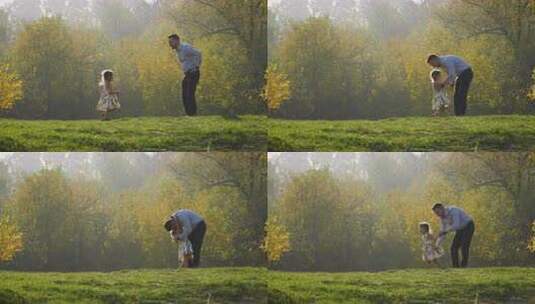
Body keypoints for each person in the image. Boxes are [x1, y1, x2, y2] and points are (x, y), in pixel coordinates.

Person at [168, 34, 202, 116]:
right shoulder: (178, 50)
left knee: (189, 93)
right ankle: (189, 114)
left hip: (193, 72)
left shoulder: (185, 48)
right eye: (169, 42)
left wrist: (196, 66)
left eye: (171, 42)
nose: (170, 44)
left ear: (177, 40)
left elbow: (198, 53)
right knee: (184, 94)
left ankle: (192, 114)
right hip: (187, 74)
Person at [432, 203, 475, 268]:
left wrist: (445, 231)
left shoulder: (453, 211)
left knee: (464, 246)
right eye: (436, 213)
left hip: (468, 226)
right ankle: (456, 267)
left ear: (442, 208)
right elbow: (442, 233)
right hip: (460, 229)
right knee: (453, 248)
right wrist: (437, 245)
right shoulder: (442, 218)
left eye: (438, 212)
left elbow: (456, 225)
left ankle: (463, 266)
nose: (437, 215)